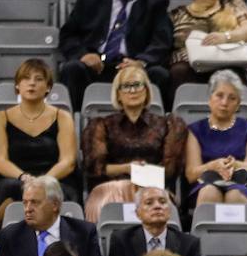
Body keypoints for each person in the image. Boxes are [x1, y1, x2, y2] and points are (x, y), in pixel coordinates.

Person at [58, 0, 173, 110]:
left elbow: (162, 42)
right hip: (99, 62)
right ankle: (72, 123)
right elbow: (68, 35)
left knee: (159, 74)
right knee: (72, 69)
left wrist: (141, 62)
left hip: (133, 64)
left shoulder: (156, 3)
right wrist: (83, 55)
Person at [80, 64, 188, 222]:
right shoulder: (101, 125)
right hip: (111, 187)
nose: (133, 90)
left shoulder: (167, 125)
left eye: (137, 85)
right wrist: (128, 169)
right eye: (126, 86)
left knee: (154, 200)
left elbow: (170, 169)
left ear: (147, 91)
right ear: (118, 94)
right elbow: (95, 167)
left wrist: (142, 178)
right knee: (110, 199)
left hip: (153, 188)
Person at [0, 58, 79, 222]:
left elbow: (68, 161)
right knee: (8, 188)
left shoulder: (63, 116)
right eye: (26, 78)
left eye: (39, 79)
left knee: (59, 190)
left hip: (54, 178)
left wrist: (44, 181)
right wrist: (24, 178)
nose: (32, 83)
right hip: (15, 179)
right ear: (17, 85)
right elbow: (0, 161)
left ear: (48, 87)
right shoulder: (0, 117)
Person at [0, 176, 108, 256]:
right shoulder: (11, 236)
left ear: (55, 205)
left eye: (35, 202)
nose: (28, 209)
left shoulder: (84, 232)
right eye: (25, 202)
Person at [184, 69, 247, 207]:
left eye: (232, 98)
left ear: (238, 104)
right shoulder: (195, 130)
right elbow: (191, 174)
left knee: (234, 195)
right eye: (219, 95)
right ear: (210, 99)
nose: (224, 102)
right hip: (205, 184)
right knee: (210, 192)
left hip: (242, 185)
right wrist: (213, 166)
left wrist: (235, 165)